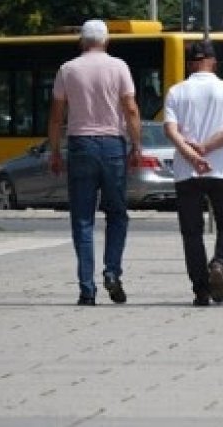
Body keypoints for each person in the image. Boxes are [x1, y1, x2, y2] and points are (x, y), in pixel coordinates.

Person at [48, 19, 143, 306]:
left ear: (81, 41)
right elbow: (130, 108)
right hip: (113, 144)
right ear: (106, 41)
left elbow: (56, 115)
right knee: (117, 214)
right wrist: (136, 144)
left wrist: (54, 151)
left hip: (80, 145)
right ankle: (112, 271)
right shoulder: (119, 67)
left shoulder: (67, 69)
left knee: (82, 218)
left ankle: (86, 289)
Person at [163, 40, 223, 306]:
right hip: (221, 169)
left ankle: (200, 290)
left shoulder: (176, 91)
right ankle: (220, 262)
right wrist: (208, 148)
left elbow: (170, 129)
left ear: (189, 63)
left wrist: (191, 155)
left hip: (186, 172)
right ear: (213, 61)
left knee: (192, 232)